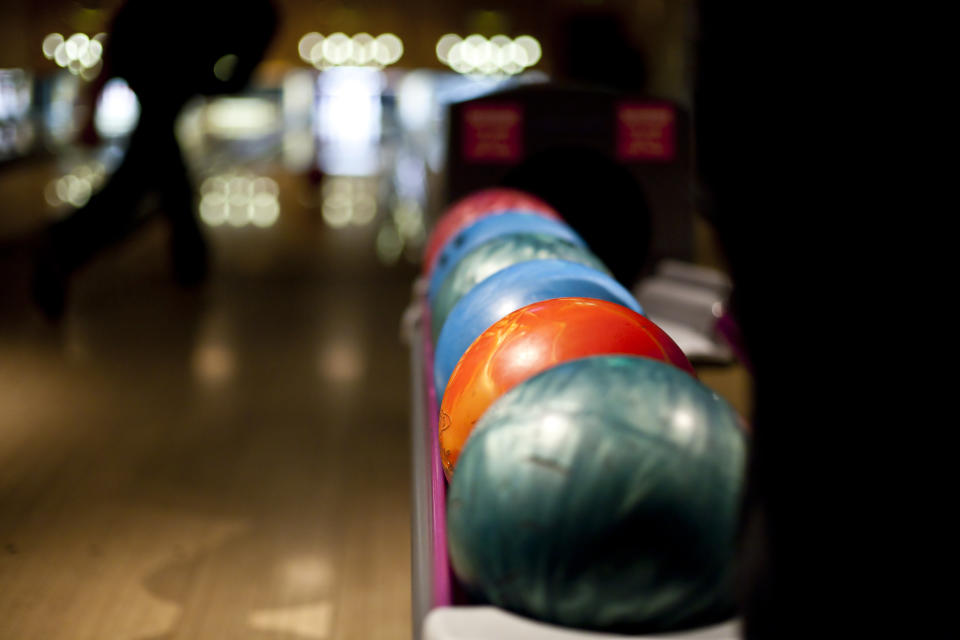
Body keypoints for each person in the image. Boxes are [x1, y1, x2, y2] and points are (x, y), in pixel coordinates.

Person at [33, 0, 278, 320]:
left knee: (154, 169)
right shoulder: (206, 23)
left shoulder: (153, 23)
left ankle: (69, 247)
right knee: (146, 175)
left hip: (156, 62)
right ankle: (65, 245)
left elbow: (113, 54)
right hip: (160, 61)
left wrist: (91, 109)